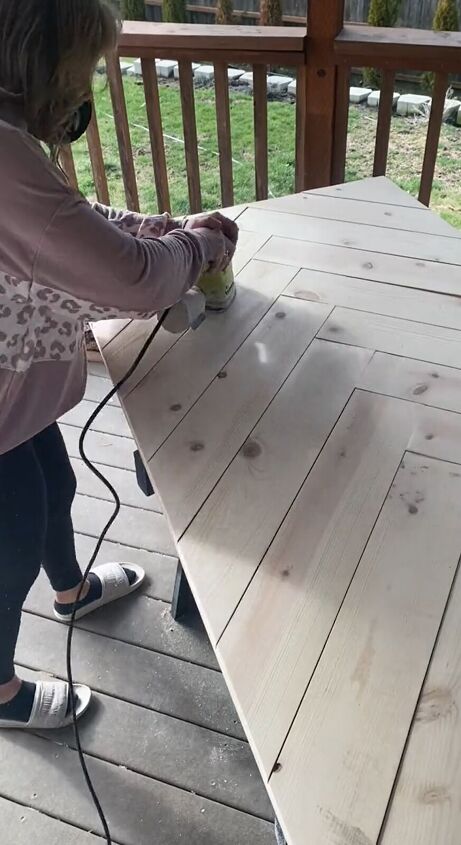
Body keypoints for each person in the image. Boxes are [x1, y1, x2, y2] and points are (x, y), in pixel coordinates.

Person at [0, 0, 238, 730]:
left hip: (15, 388)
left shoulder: (13, 146)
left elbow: (68, 219)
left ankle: (69, 590)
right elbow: (133, 282)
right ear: (38, 66)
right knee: (8, 538)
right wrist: (193, 248)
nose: (83, 92)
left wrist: (152, 231)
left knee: (53, 483)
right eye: (81, 73)